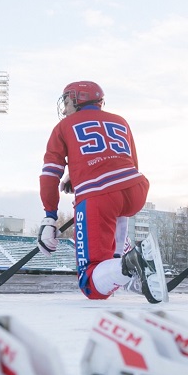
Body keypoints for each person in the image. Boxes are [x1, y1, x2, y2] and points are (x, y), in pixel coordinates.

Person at [36, 81, 162, 302]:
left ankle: (131, 264)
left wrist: (50, 217)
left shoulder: (63, 127)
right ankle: (127, 266)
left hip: (100, 195)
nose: (64, 109)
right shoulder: (120, 121)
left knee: (90, 283)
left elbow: (50, 173)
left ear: (77, 99)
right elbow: (123, 163)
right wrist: (79, 176)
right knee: (110, 252)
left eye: (66, 102)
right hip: (135, 188)